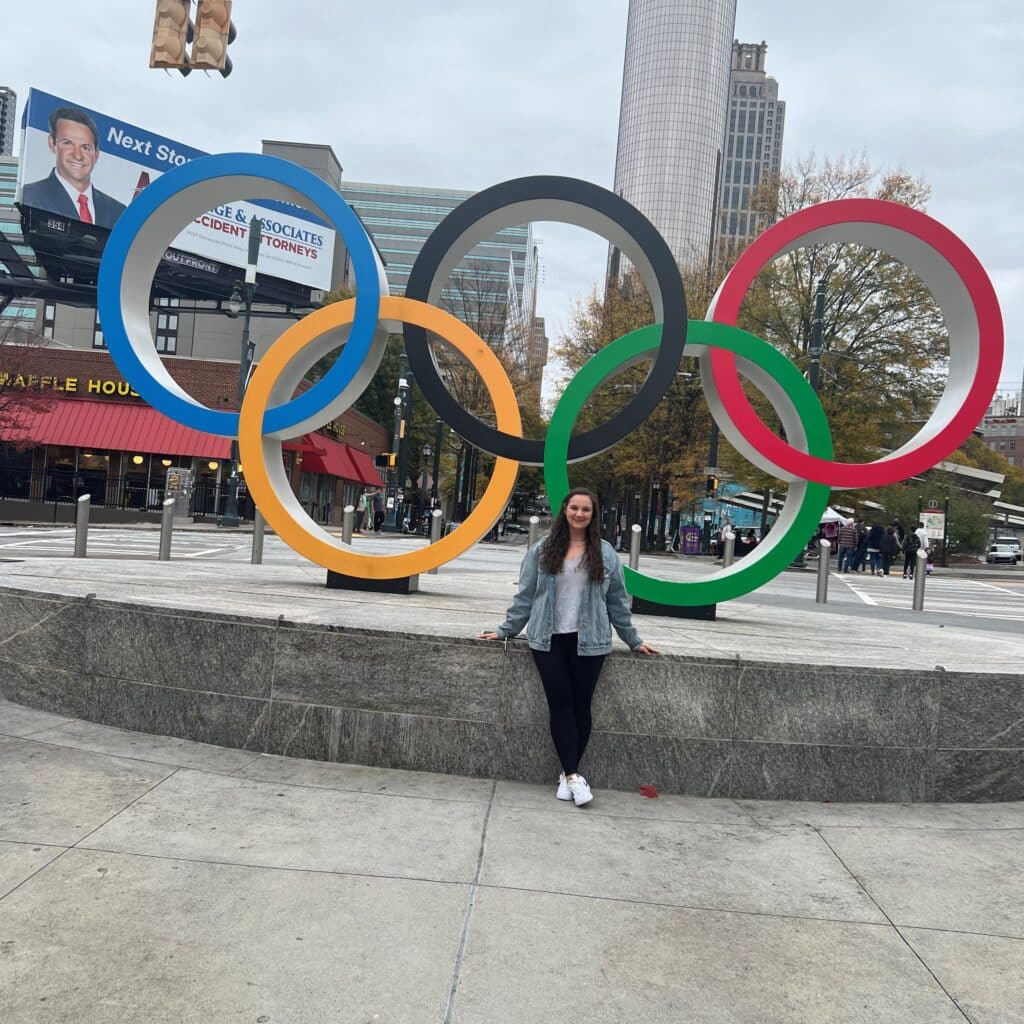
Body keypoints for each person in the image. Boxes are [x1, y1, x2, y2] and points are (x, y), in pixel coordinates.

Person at [480, 487, 658, 807]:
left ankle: (567, 777)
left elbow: (617, 602)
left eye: (586, 510)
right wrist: (505, 630)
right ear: (564, 511)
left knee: (581, 706)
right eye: (574, 508)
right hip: (548, 639)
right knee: (560, 704)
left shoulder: (605, 554)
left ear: (593, 515)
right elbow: (525, 597)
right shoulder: (541, 550)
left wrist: (634, 640)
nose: (579, 514)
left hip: (590, 640)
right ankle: (575, 776)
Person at [21, 107, 126, 229]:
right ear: (52, 144)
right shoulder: (31, 195)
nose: (77, 155)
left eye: (85, 147)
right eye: (68, 143)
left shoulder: (118, 211)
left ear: (96, 155)